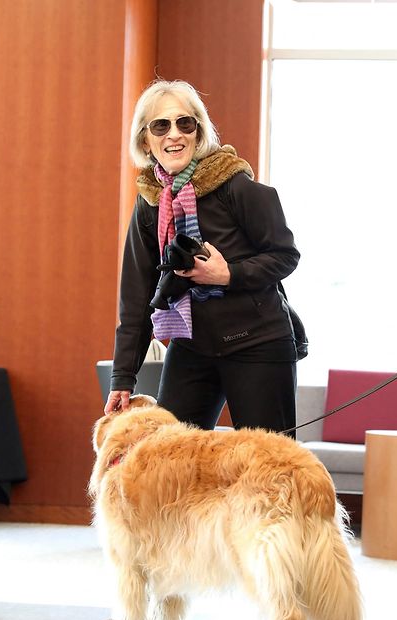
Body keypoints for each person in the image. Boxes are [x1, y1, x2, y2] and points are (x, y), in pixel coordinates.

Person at [103, 79, 301, 435]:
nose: (173, 135)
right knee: (172, 465)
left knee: (270, 474)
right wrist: (123, 377)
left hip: (258, 342)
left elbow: (285, 255)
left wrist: (229, 274)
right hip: (192, 345)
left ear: (199, 132)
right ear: (145, 141)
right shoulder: (149, 203)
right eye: (160, 126)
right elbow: (136, 297)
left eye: (185, 123)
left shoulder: (236, 185)